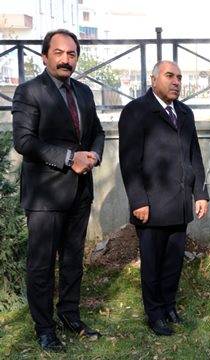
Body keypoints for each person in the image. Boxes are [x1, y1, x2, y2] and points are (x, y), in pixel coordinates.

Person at [12, 29, 104, 352]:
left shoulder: (84, 92)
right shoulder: (28, 92)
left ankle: (69, 315)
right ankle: (45, 327)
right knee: (41, 264)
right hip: (46, 195)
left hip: (80, 191)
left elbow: (97, 132)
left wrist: (94, 154)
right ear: (45, 56)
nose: (67, 60)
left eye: (72, 54)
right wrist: (69, 158)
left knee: (72, 259)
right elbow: (24, 141)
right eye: (60, 53)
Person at [119, 60, 209, 336]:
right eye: (170, 76)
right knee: (153, 263)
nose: (176, 82)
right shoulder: (136, 111)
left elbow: (194, 154)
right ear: (153, 79)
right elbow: (129, 162)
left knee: (173, 261)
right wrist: (138, 201)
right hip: (151, 205)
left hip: (180, 203)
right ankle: (155, 313)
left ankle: (169, 306)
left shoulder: (184, 113)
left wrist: (201, 193)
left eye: (179, 77)